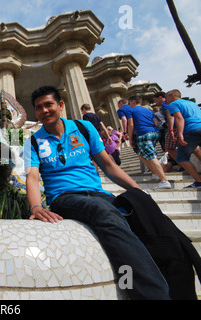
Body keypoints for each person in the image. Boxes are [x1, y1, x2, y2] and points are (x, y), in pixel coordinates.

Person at [25, 86, 170, 300]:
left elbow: (109, 166)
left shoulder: (83, 128)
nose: (44, 110)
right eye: (39, 107)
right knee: (104, 211)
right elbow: (32, 177)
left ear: (61, 105)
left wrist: (137, 190)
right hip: (64, 198)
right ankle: (154, 296)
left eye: (49, 104)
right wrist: (36, 207)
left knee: (141, 213)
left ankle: (171, 280)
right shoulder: (34, 141)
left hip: (96, 192)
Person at [127, 95, 172, 190]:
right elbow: (155, 122)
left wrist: (130, 138)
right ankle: (154, 172)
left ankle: (164, 180)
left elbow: (130, 125)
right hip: (155, 132)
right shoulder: (148, 110)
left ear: (133, 101)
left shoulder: (131, 111)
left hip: (144, 133)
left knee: (151, 156)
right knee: (141, 155)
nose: (129, 104)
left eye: (129, 102)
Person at [166, 89, 201, 188]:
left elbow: (179, 118)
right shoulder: (192, 103)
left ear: (172, 96)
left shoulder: (173, 104)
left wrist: (180, 134)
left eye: (167, 97)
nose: (166, 100)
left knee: (181, 158)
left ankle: (198, 181)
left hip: (190, 130)